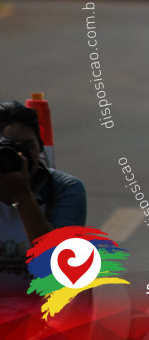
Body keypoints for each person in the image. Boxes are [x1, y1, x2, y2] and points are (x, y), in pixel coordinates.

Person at [0, 101, 86, 296]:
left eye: (27, 146)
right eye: (8, 147)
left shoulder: (63, 189)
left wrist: (23, 196)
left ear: (40, 147)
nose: (20, 155)